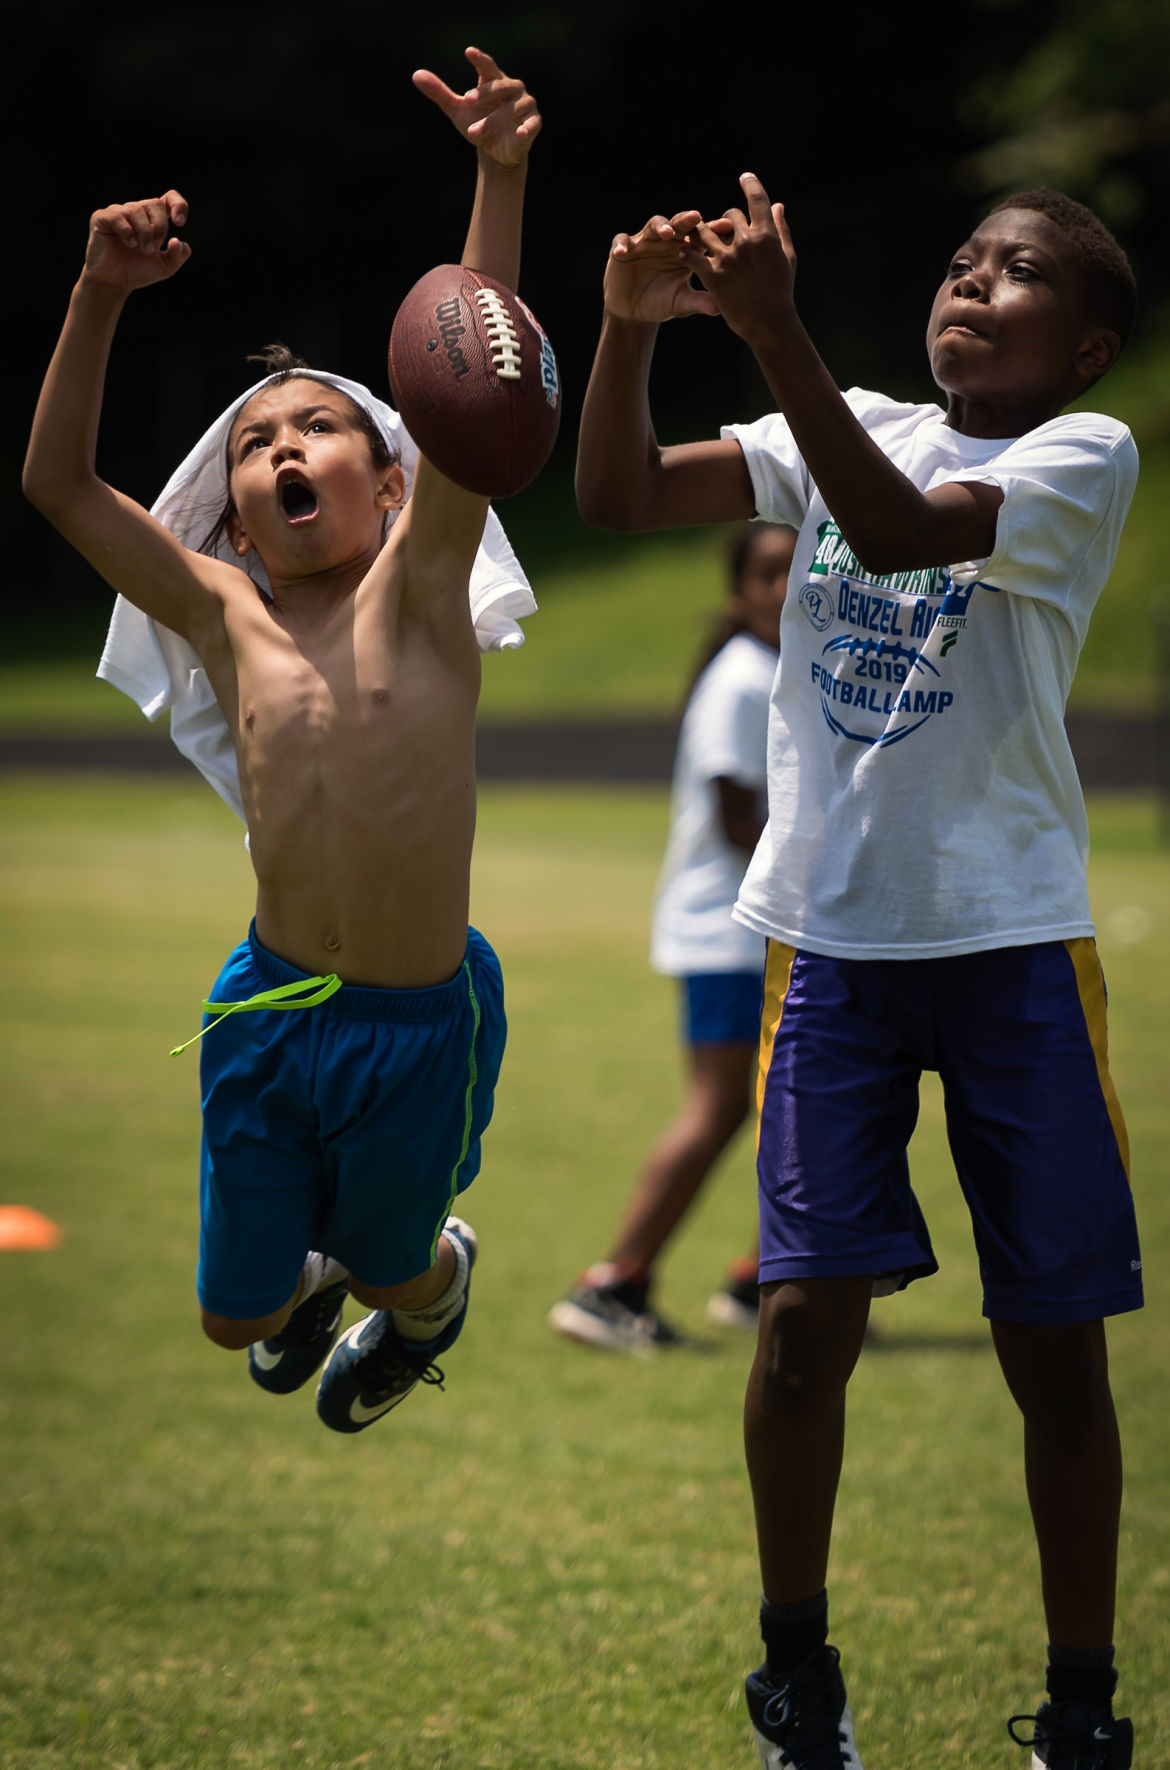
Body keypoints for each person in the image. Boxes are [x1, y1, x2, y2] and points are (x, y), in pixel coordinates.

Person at [575, 177, 1141, 1770]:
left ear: (1087, 347)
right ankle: (796, 1677)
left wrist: (769, 330)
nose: (971, 282)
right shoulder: (863, 414)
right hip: (832, 944)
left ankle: (1083, 1701)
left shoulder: (1077, 457)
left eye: (1015, 273)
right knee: (800, 1326)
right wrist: (625, 333)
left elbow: (892, 532)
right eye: (960, 257)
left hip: (1010, 939)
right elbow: (616, 494)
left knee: (1054, 1344)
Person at [23, 48, 542, 1437]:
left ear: (391, 481)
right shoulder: (223, 615)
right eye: (259, 442)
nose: (289, 444)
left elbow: (470, 373)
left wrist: (498, 173)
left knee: (393, 1258)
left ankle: (426, 1291)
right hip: (267, 1005)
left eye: (324, 425)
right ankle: (322, 1276)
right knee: (233, 1317)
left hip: (412, 1020)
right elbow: (58, 483)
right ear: (236, 516)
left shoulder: (426, 594)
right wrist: (97, 294)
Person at [549, 521, 793, 1354]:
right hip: (733, 933)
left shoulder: (771, 671)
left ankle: (765, 1280)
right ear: (738, 592)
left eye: (801, 568)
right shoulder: (744, 679)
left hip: (745, 929)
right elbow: (737, 821)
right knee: (722, 1106)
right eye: (768, 573)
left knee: (792, 1106)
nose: (787, 586)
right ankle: (613, 1282)